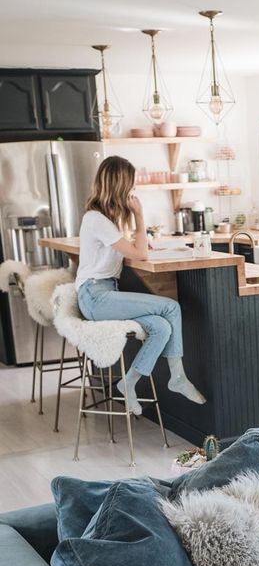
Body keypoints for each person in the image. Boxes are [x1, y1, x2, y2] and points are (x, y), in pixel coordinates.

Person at [75, 155, 205, 415]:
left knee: (161, 327)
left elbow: (133, 249)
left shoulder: (106, 219)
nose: (133, 191)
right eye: (131, 186)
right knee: (171, 308)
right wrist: (139, 215)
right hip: (94, 296)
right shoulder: (96, 219)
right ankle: (177, 377)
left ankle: (129, 382)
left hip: (106, 292)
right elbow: (140, 254)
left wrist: (139, 240)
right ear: (120, 186)